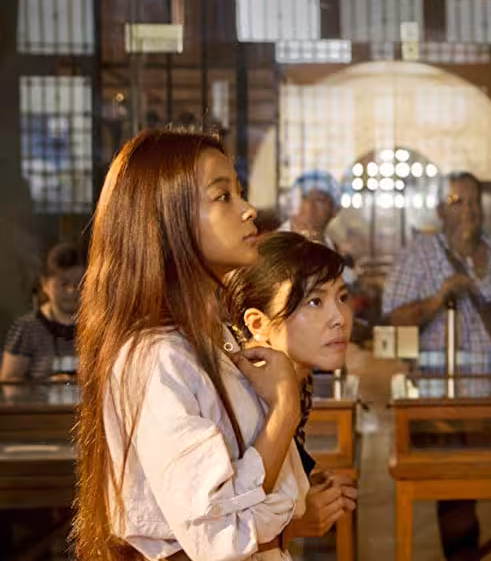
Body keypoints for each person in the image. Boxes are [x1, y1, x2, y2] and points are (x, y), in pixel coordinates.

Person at [73, 129, 308, 560]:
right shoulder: (156, 356)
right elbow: (222, 536)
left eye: (239, 192)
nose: (249, 210)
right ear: (166, 219)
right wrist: (284, 409)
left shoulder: (206, 339)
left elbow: (280, 502)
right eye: (223, 197)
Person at [382, 171, 491, 561]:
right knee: (455, 498)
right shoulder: (418, 255)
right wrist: (438, 300)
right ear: (440, 210)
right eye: (458, 202)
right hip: (443, 401)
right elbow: (393, 321)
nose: (468, 210)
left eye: (474, 201)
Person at [223, 231, 359, 538]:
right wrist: (293, 523)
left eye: (342, 297)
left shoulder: (299, 379)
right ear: (258, 324)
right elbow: (217, 526)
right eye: (314, 301)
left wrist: (305, 480)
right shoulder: (237, 398)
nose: (339, 317)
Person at [1, 243, 84, 381]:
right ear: (45, 284)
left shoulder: (100, 328)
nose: (72, 291)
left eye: (79, 284)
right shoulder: (26, 329)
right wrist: (45, 386)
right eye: (63, 284)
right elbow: (9, 383)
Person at [279, 170, 356, 286]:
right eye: (304, 197)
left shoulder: (336, 253)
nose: (309, 206)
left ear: (335, 210)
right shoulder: (273, 246)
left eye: (320, 200)